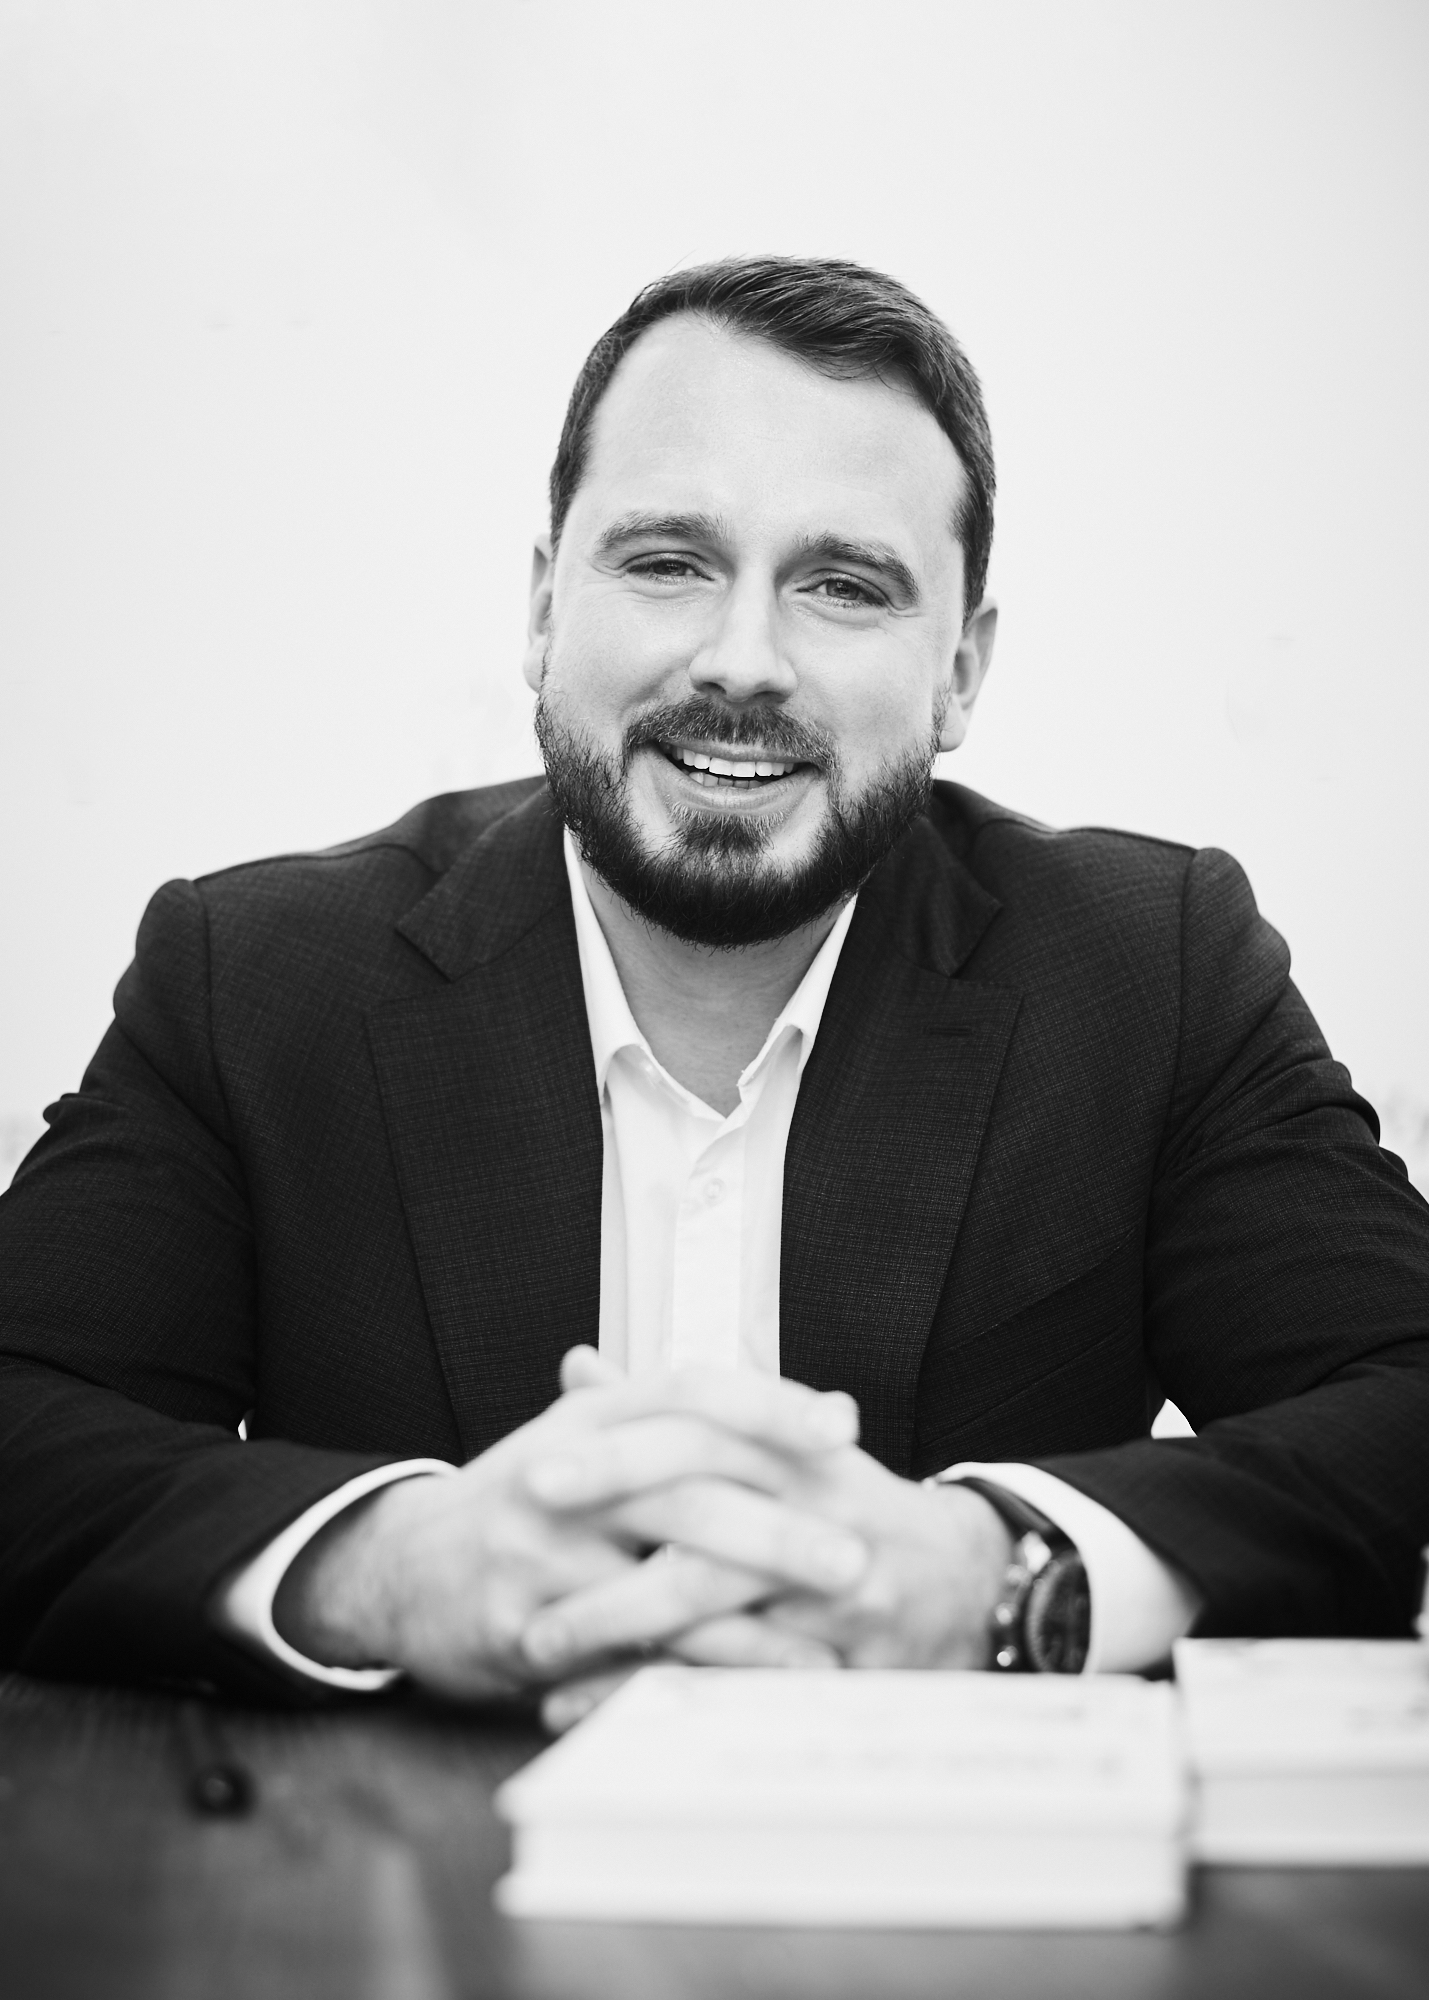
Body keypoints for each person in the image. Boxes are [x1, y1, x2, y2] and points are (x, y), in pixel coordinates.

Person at [2, 258, 1426, 1732]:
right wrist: (388, 1566)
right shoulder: (249, 979)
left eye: (843, 586)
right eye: (669, 561)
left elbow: (1400, 1395)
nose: (743, 661)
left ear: (960, 670)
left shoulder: (1154, 970)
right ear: (544, 607)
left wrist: (1001, 1574)